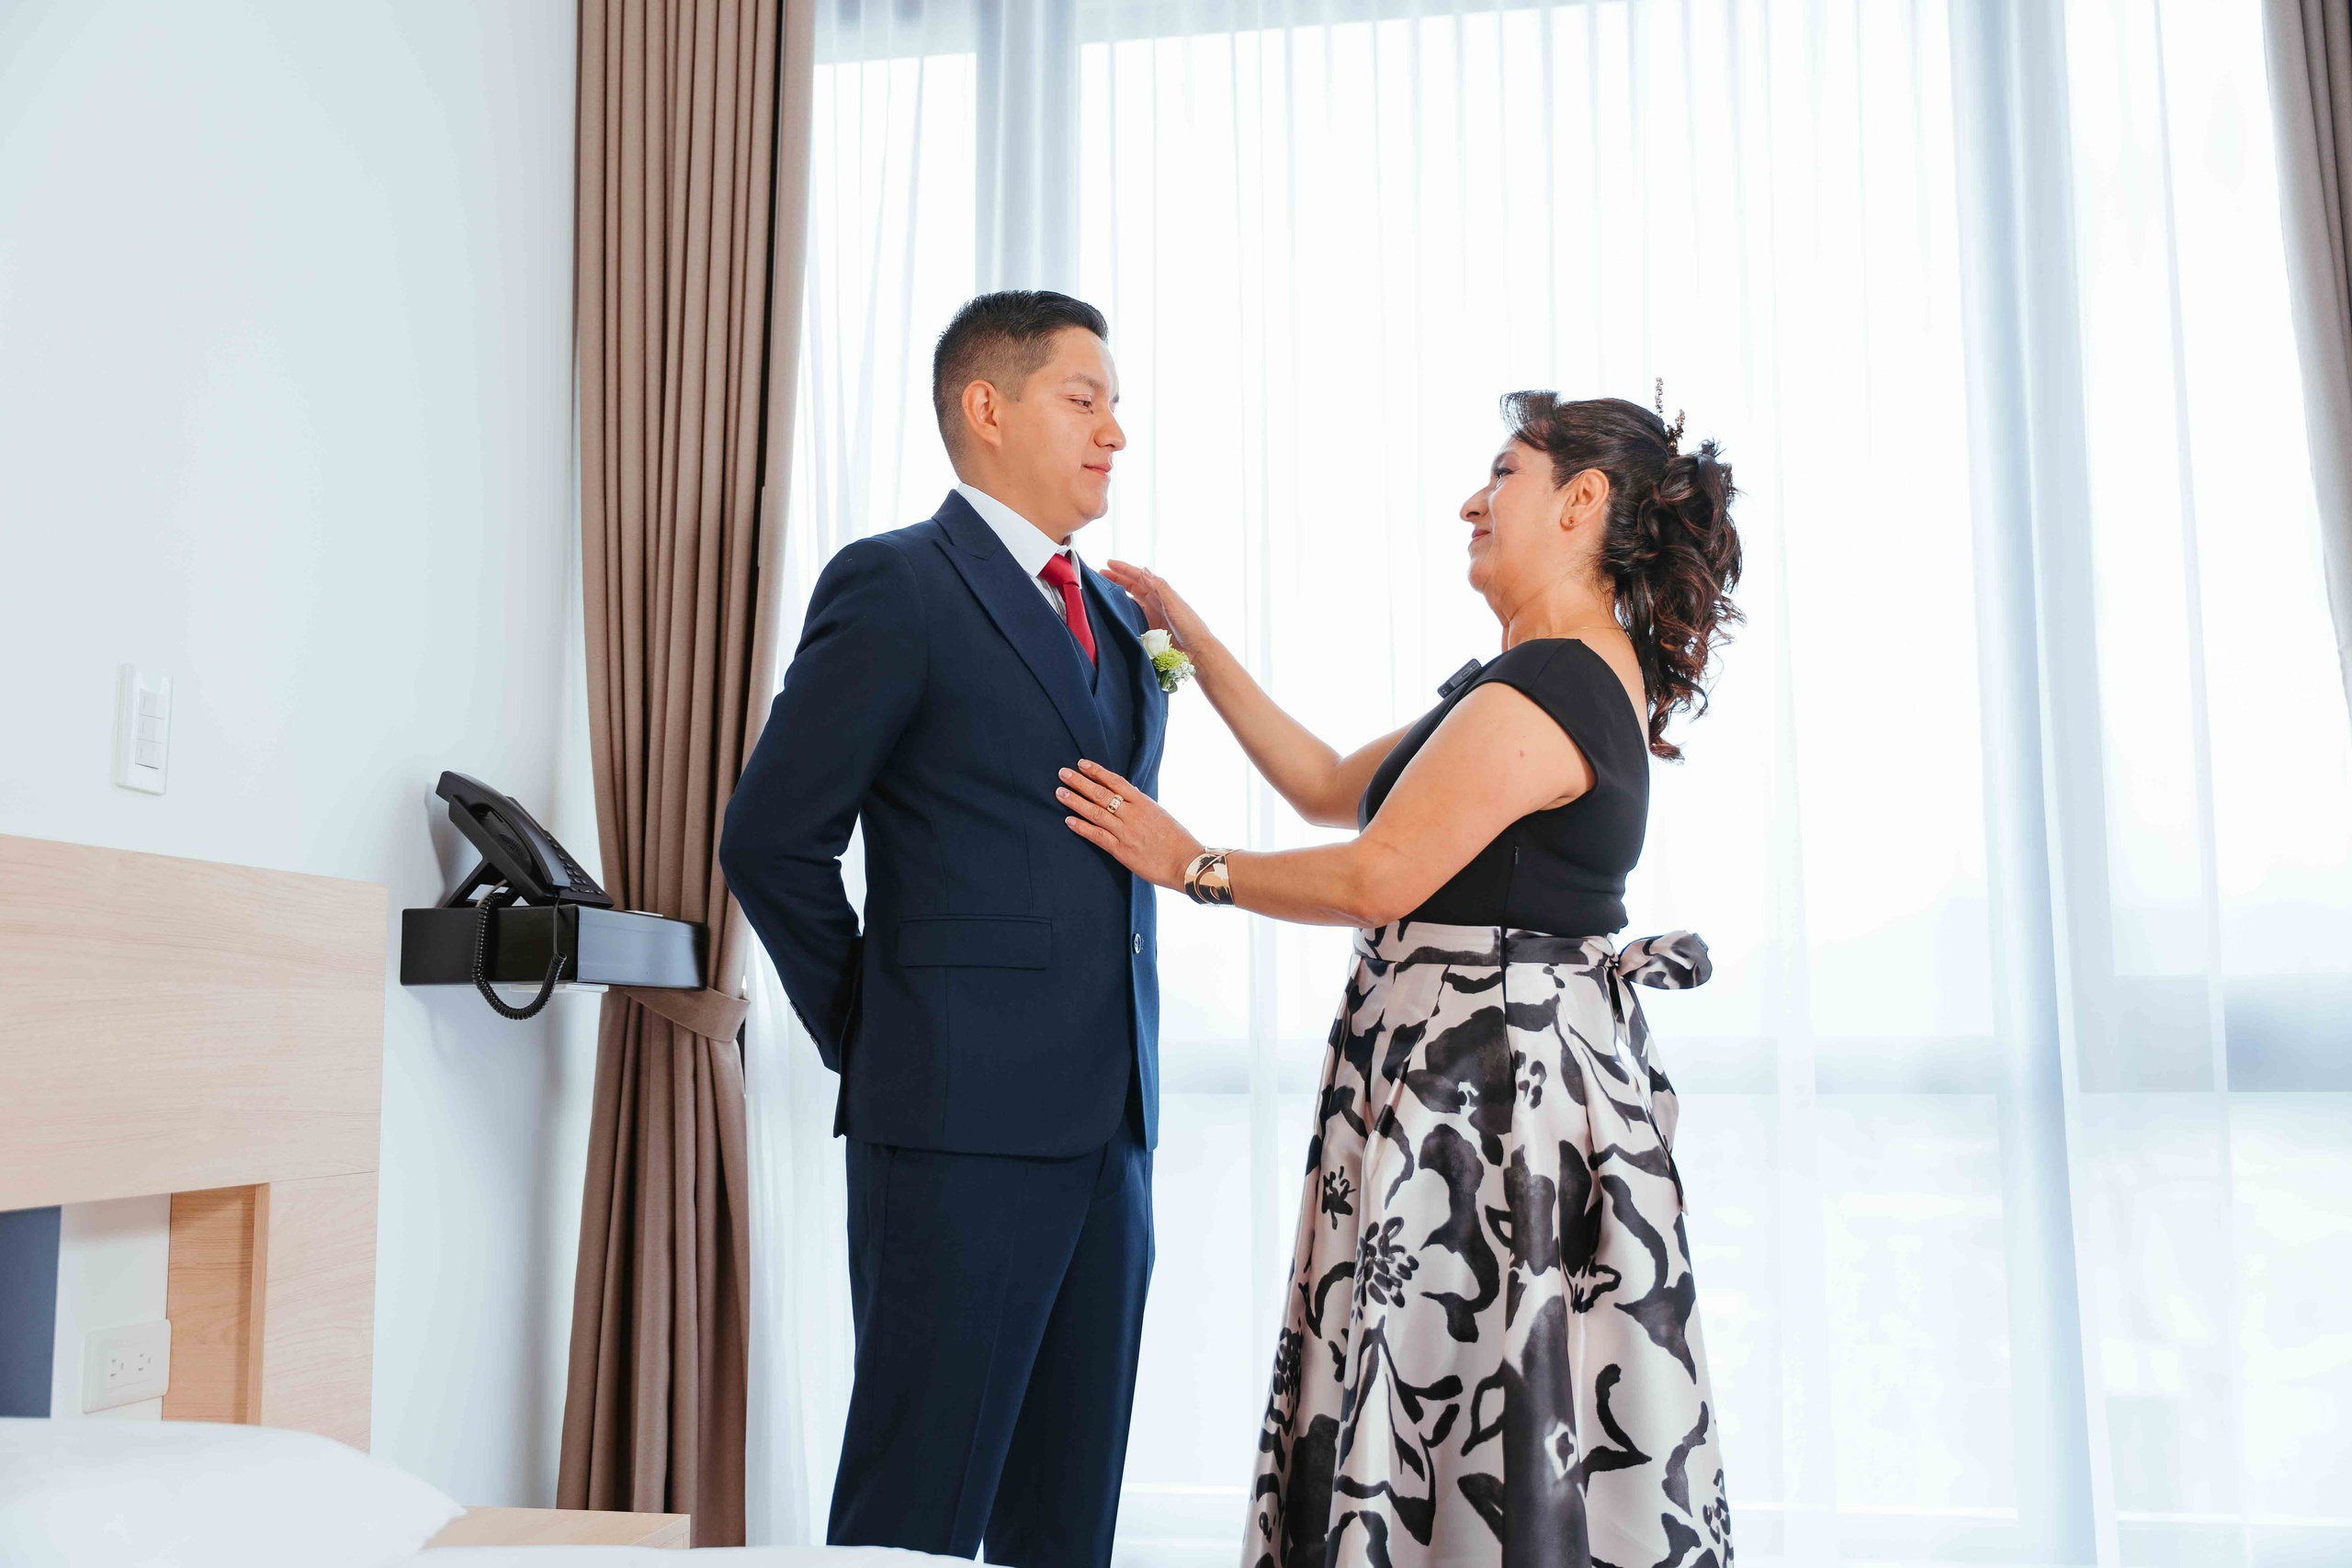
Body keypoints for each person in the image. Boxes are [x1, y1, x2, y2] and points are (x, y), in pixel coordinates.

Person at [1057, 390, 1741, 1567]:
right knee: (1467, 1407)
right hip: (1469, 1089)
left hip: (1483, 1108)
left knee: (1461, 1404)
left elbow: (1378, 875)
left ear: (1582, 503)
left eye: (1505, 474)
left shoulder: (1554, 687)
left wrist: (1188, 865)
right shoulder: (1531, 676)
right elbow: (1328, 783)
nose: (1474, 502)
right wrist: (1189, 635)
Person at [719, 290, 1163, 1568]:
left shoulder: (1127, 622)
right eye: (1086, 398)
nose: (1115, 431)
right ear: (988, 406)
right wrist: (879, 1023)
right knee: (913, 1515)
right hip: (955, 1124)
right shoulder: (898, 583)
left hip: (1110, 1131)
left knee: (1067, 1520)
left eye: (1116, 404)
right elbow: (771, 837)